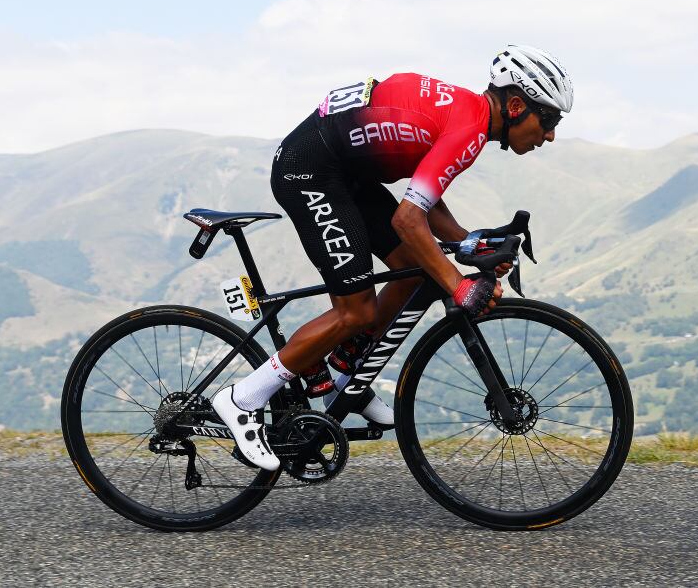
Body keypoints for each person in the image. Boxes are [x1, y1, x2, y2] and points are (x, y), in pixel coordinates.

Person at [212, 45, 574, 470]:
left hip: (345, 173)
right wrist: (459, 285)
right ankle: (242, 399)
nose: (549, 135)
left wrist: (467, 242)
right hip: (311, 170)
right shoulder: (469, 129)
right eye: (547, 120)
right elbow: (408, 219)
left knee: (414, 273)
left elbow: (425, 200)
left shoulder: (468, 115)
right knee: (357, 310)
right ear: (516, 105)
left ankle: (344, 376)